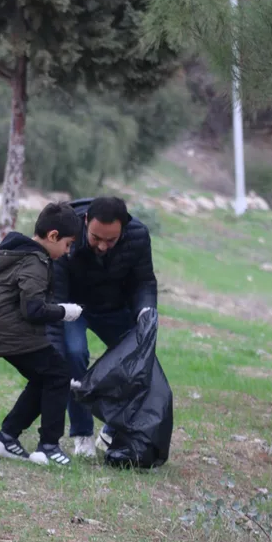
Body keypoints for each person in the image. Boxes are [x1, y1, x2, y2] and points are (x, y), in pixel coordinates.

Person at [50, 196, 158, 457]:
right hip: (73, 307)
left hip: (113, 307)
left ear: (124, 227)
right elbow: (56, 295)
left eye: (111, 240)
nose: (102, 246)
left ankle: (112, 430)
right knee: (74, 353)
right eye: (96, 237)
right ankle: (82, 434)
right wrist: (53, 346)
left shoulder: (138, 235)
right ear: (86, 222)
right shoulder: (66, 232)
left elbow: (144, 281)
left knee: (137, 361)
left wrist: (145, 309)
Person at [0, 202, 83, 467]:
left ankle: (5, 438)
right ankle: (48, 446)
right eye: (68, 244)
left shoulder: (23, 253)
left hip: (0, 329)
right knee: (58, 374)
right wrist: (64, 311)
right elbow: (34, 310)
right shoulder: (35, 261)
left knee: (45, 378)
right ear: (52, 236)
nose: (68, 251)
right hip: (10, 330)